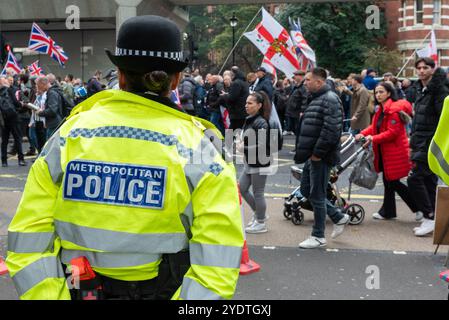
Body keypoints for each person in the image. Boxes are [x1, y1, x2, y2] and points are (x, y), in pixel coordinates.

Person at [6, 15, 244, 300]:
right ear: (176, 79)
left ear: (119, 76)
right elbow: (218, 258)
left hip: (79, 284)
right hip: (165, 287)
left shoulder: (68, 136)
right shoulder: (200, 147)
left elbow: (28, 238)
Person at [295, 68, 349, 249]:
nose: (305, 83)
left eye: (308, 80)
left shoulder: (330, 99)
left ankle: (318, 235)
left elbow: (331, 130)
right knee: (305, 190)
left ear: (319, 82)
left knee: (317, 195)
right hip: (313, 155)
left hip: (321, 156)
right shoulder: (317, 98)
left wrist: (318, 153)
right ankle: (338, 216)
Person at [355, 82, 419, 221]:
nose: (378, 95)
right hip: (385, 153)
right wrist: (363, 133)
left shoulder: (393, 111)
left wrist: (372, 138)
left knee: (393, 182)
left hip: (395, 153)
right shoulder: (382, 109)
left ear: (389, 93)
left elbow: (392, 133)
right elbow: (374, 127)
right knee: (388, 182)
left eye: (381, 92)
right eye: (376, 92)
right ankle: (388, 211)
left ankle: (419, 208)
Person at [407, 58, 449, 237]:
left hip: (430, 142)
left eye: (425, 68)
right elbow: (418, 119)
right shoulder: (420, 89)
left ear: (433, 69)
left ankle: (429, 216)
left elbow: (443, 118)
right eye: (419, 68)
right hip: (419, 140)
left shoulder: (440, 90)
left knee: (414, 179)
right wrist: (412, 142)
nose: (422, 71)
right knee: (429, 181)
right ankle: (431, 217)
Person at [237, 91, 274, 234]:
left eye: (250, 103)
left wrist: (242, 148)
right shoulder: (251, 119)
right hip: (250, 161)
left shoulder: (261, 122)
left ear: (259, 105)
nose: (246, 105)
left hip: (260, 162)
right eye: (246, 102)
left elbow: (262, 145)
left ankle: (260, 222)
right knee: (242, 188)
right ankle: (259, 214)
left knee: (258, 193)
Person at [0, 76, 26, 167]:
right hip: (13, 118)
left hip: (3, 119)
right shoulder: (9, 90)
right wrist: (21, 105)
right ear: (4, 83)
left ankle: (4, 161)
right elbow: (15, 102)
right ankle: (21, 159)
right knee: (17, 138)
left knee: (4, 140)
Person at [37, 74, 64, 139]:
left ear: (43, 84)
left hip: (54, 124)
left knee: (50, 147)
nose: (38, 88)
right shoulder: (53, 91)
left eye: (38, 85)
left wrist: (40, 112)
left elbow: (52, 110)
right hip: (54, 123)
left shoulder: (52, 93)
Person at [285, 70, 307, 138]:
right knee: (296, 131)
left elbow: (305, 99)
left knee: (298, 131)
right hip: (292, 111)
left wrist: (302, 111)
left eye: (296, 75)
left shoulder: (303, 86)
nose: (294, 77)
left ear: (301, 76)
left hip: (297, 112)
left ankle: (299, 147)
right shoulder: (296, 85)